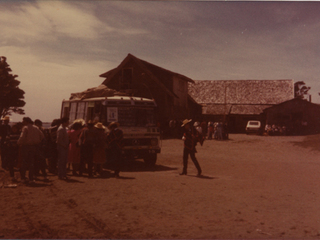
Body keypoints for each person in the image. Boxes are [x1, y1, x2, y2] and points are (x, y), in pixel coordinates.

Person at [18, 117, 44, 183]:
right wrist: (38, 141)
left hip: (25, 146)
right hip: (33, 146)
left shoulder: (25, 128)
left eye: (23, 121)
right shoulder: (36, 128)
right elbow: (42, 136)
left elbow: (22, 137)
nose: (22, 122)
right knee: (31, 163)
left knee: (24, 163)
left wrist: (18, 143)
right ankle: (31, 178)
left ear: (26, 121)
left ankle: (23, 178)